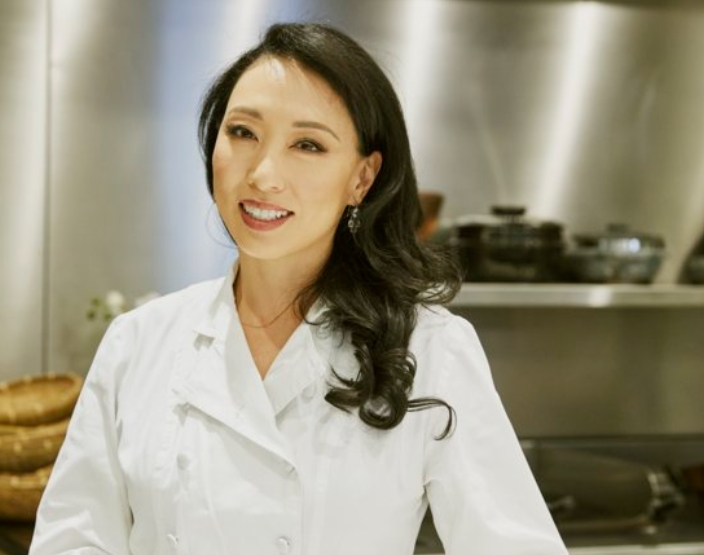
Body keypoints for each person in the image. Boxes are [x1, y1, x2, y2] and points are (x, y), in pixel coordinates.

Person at [30, 22, 567, 555]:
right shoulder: (139, 343)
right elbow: (72, 542)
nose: (263, 174)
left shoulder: (429, 349)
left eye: (308, 144)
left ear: (362, 178)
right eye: (243, 132)